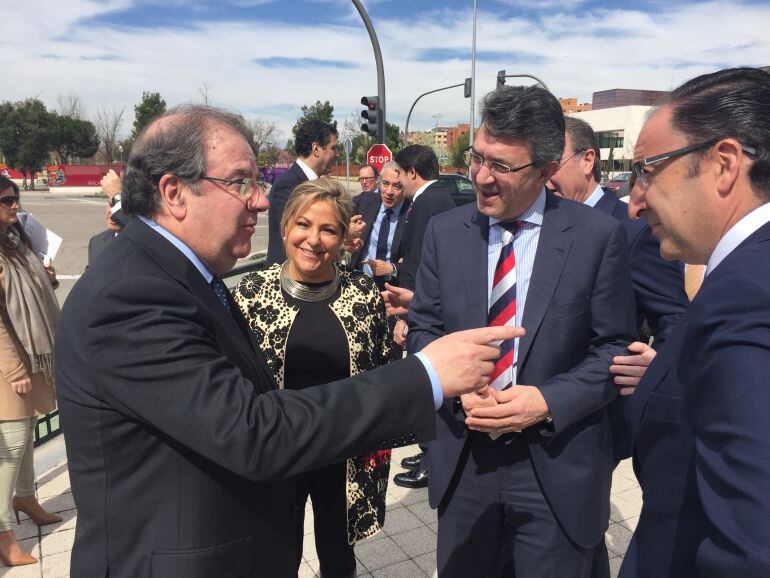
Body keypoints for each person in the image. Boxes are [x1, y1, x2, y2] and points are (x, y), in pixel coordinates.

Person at [54, 104, 520, 577]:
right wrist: (427, 374)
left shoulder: (176, 275)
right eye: (240, 182)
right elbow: (253, 431)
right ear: (175, 192)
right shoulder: (133, 294)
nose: (258, 201)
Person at [408, 85, 637, 578]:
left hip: (553, 465)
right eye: (478, 158)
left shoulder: (597, 237)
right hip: (465, 460)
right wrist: (455, 389)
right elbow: (423, 328)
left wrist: (546, 401)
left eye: (503, 167)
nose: (482, 178)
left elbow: (613, 348)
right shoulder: (444, 233)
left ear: (547, 169)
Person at [619, 67, 770, 578]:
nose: (635, 200)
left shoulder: (745, 295)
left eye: (646, 169)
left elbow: (752, 550)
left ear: (724, 164)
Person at [547, 115, 689, 577]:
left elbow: (677, 317)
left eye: (555, 160)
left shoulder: (627, 229)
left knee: (579, 534)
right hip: (544, 411)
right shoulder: (546, 220)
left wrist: (664, 366)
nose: (545, 173)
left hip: (596, 418)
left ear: (589, 160)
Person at [234, 177, 392, 577]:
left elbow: (383, 373)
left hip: (341, 453)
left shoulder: (364, 296)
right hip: (274, 449)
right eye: (303, 224)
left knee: (338, 554)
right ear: (286, 226)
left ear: (343, 238)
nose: (313, 239)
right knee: (273, 551)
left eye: (328, 229)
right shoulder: (251, 293)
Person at [0, 175, 61, 567]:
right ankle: (4, 533)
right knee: (12, 443)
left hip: (29, 352)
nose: (14, 205)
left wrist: (47, 279)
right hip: (9, 362)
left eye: (15, 198)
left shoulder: (14, 241)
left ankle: (26, 497)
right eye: (6, 200)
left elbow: (31, 291)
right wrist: (15, 368)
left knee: (24, 433)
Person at [390, 145, 456, 489]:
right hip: (432, 306)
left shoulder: (427, 203)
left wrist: (407, 316)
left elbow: (418, 263)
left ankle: (432, 461)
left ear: (412, 172)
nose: (397, 182)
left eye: (399, 174)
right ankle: (427, 451)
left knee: (428, 385)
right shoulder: (439, 199)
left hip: (424, 309)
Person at [266, 120, 339, 266]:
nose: (337, 154)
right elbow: (295, 234)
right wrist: (344, 233)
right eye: (334, 148)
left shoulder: (314, 182)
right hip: (287, 280)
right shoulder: (288, 185)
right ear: (316, 149)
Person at [349, 162, 410, 290]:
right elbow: (335, 210)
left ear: (406, 187)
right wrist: (346, 235)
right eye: (386, 184)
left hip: (392, 290)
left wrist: (392, 269)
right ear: (379, 182)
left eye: (397, 186)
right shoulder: (366, 201)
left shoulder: (412, 214)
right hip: (359, 283)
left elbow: (418, 263)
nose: (389, 192)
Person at [88, 173, 125, 266]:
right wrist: (52, 280)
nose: (112, 212)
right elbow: (90, 278)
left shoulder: (146, 243)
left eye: (117, 205)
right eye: (110, 204)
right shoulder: (96, 242)